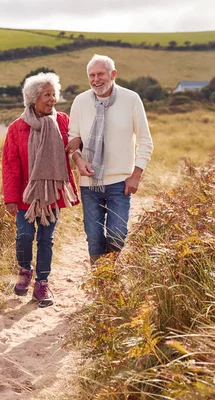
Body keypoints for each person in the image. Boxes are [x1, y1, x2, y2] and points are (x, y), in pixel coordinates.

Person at [66, 54, 153, 264]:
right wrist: (78, 161)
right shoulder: (80, 101)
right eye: (91, 75)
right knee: (94, 237)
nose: (96, 79)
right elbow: (72, 142)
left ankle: (110, 272)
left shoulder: (131, 99)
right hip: (89, 183)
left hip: (120, 183)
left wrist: (136, 176)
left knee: (117, 234)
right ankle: (100, 281)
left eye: (100, 74)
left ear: (113, 74)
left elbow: (145, 141)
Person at [2, 72, 79, 307]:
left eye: (54, 94)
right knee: (24, 235)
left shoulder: (64, 122)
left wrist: (79, 144)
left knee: (46, 239)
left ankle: (42, 284)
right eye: (47, 94)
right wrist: (11, 197)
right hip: (26, 195)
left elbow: (76, 144)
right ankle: (25, 271)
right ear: (33, 98)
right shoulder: (17, 128)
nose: (52, 99)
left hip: (51, 194)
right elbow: (10, 163)